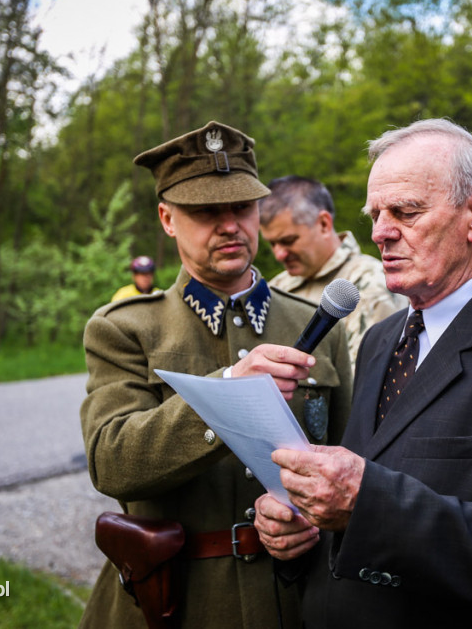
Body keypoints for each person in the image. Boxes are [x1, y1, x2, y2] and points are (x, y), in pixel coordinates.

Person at [252, 118, 472, 628]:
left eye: (406, 211)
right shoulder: (382, 338)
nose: (380, 232)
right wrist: (306, 532)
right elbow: (360, 494)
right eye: (376, 213)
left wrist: (368, 504)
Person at [78, 121, 354, 629]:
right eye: (206, 211)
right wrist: (228, 390)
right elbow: (110, 463)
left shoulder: (318, 326)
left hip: (292, 600)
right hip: (174, 602)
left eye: (242, 208)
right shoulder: (125, 329)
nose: (230, 225)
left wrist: (315, 526)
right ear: (166, 218)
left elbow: (351, 462)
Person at [260, 175, 406, 366]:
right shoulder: (277, 286)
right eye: (272, 243)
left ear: (323, 224)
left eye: (288, 241)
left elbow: (368, 381)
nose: (279, 254)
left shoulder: (371, 283)